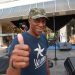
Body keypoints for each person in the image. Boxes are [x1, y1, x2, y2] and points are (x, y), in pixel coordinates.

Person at [6, 8, 50, 75]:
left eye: (43, 21)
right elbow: (11, 70)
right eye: (37, 20)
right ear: (29, 20)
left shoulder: (43, 37)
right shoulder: (18, 41)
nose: (41, 24)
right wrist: (14, 67)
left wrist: (48, 72)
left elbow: (44, 57)